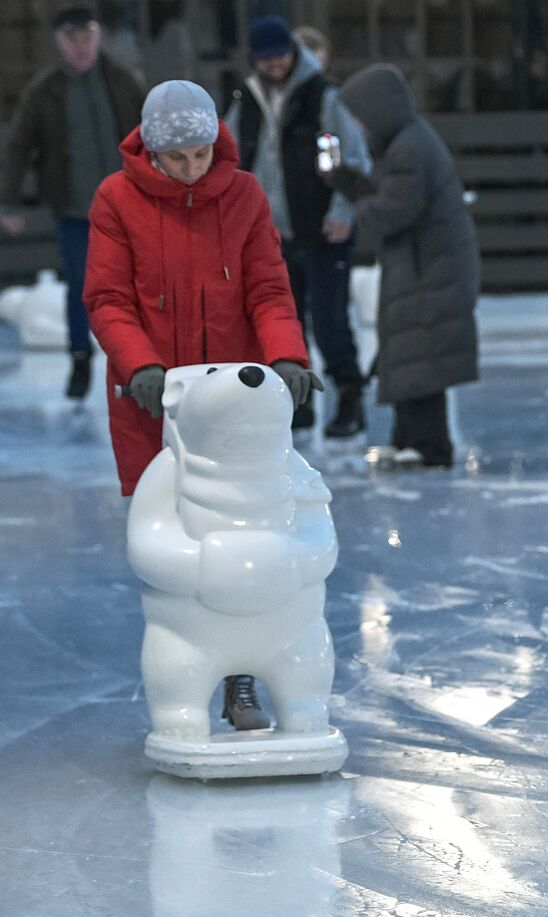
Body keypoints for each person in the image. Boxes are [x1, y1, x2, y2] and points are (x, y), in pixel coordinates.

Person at [84, 79, 321, 730]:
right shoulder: (115, 199)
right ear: (152, 151)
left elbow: (269, 289)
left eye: (201, 153)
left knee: (243, 537)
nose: (193, 167)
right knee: (176, 545)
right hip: (151, 400)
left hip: (229, 407)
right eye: (178, 157)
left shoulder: (242, 196)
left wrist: (287, 357)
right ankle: (185, 670)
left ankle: (240, 681)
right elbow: (106, 299)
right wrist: (142, 365)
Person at [323, 64, 479, 468]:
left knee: (420, 355)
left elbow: (395, 209)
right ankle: (409, 437)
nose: (357, 125)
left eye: (360, 116)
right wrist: (348, 181)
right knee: (407, 351)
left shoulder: (410, 147)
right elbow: (387, 193)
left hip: (430, 267)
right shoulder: (405, 142)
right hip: (422, 263)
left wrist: (360, 210)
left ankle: (429, 445)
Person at [225, 16, 372, 439]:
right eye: (266, 59)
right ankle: (297, 402)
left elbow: (352, 161)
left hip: (322, 229)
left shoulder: (323, 97)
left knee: (329, 320)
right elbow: (231, 160)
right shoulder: (247, 101)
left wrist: (343, 212)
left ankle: (349, 396)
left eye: (281, 57)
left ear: (292, 53)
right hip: (271, 237)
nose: (274, 66)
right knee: (282, 324)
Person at [0, 5, 144, 400]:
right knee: (82, 286)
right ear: (59, 43)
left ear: (98, 38)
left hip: (126, 205)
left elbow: (147, 134)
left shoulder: (122, 81)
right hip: (73, 209)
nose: (81, 47)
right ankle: (80, 358)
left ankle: (138, 361)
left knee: (136, 283)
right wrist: (8, 203)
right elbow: (17, 148)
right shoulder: (43, 91)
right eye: (71, 39)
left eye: (87, 37)